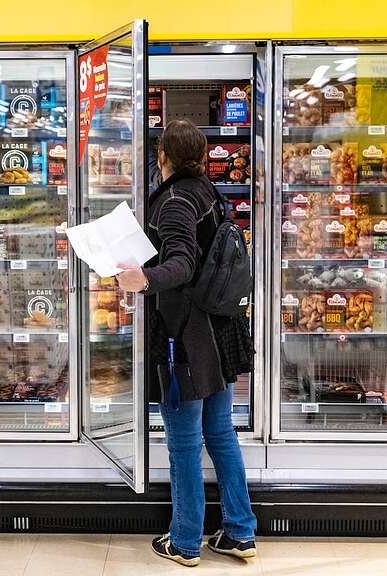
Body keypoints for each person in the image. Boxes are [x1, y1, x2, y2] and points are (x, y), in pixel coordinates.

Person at [116, 119, 257, 567]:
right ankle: (239, 532)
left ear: (164, 156)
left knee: (183, 443)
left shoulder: (176, 200)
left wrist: (143, 279)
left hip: (187, 340)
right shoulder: (207, 191)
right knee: (220, 433)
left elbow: (181, 264)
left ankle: (185, 541)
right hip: (218, 330)